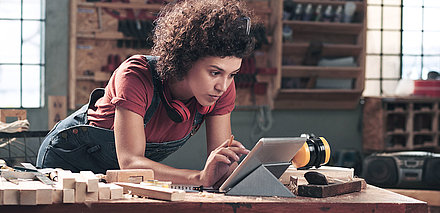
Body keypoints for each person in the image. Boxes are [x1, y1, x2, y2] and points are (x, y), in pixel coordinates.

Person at [37, 0, 258, 188]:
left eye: (232, 74)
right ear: (185, 60)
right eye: (214, 72)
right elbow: (131, 163)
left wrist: (232, 170)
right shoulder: (135, 75)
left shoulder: (222, 88)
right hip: (67, 163)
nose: (223, 85)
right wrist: (199, 177)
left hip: (121, 177)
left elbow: (219, 169)